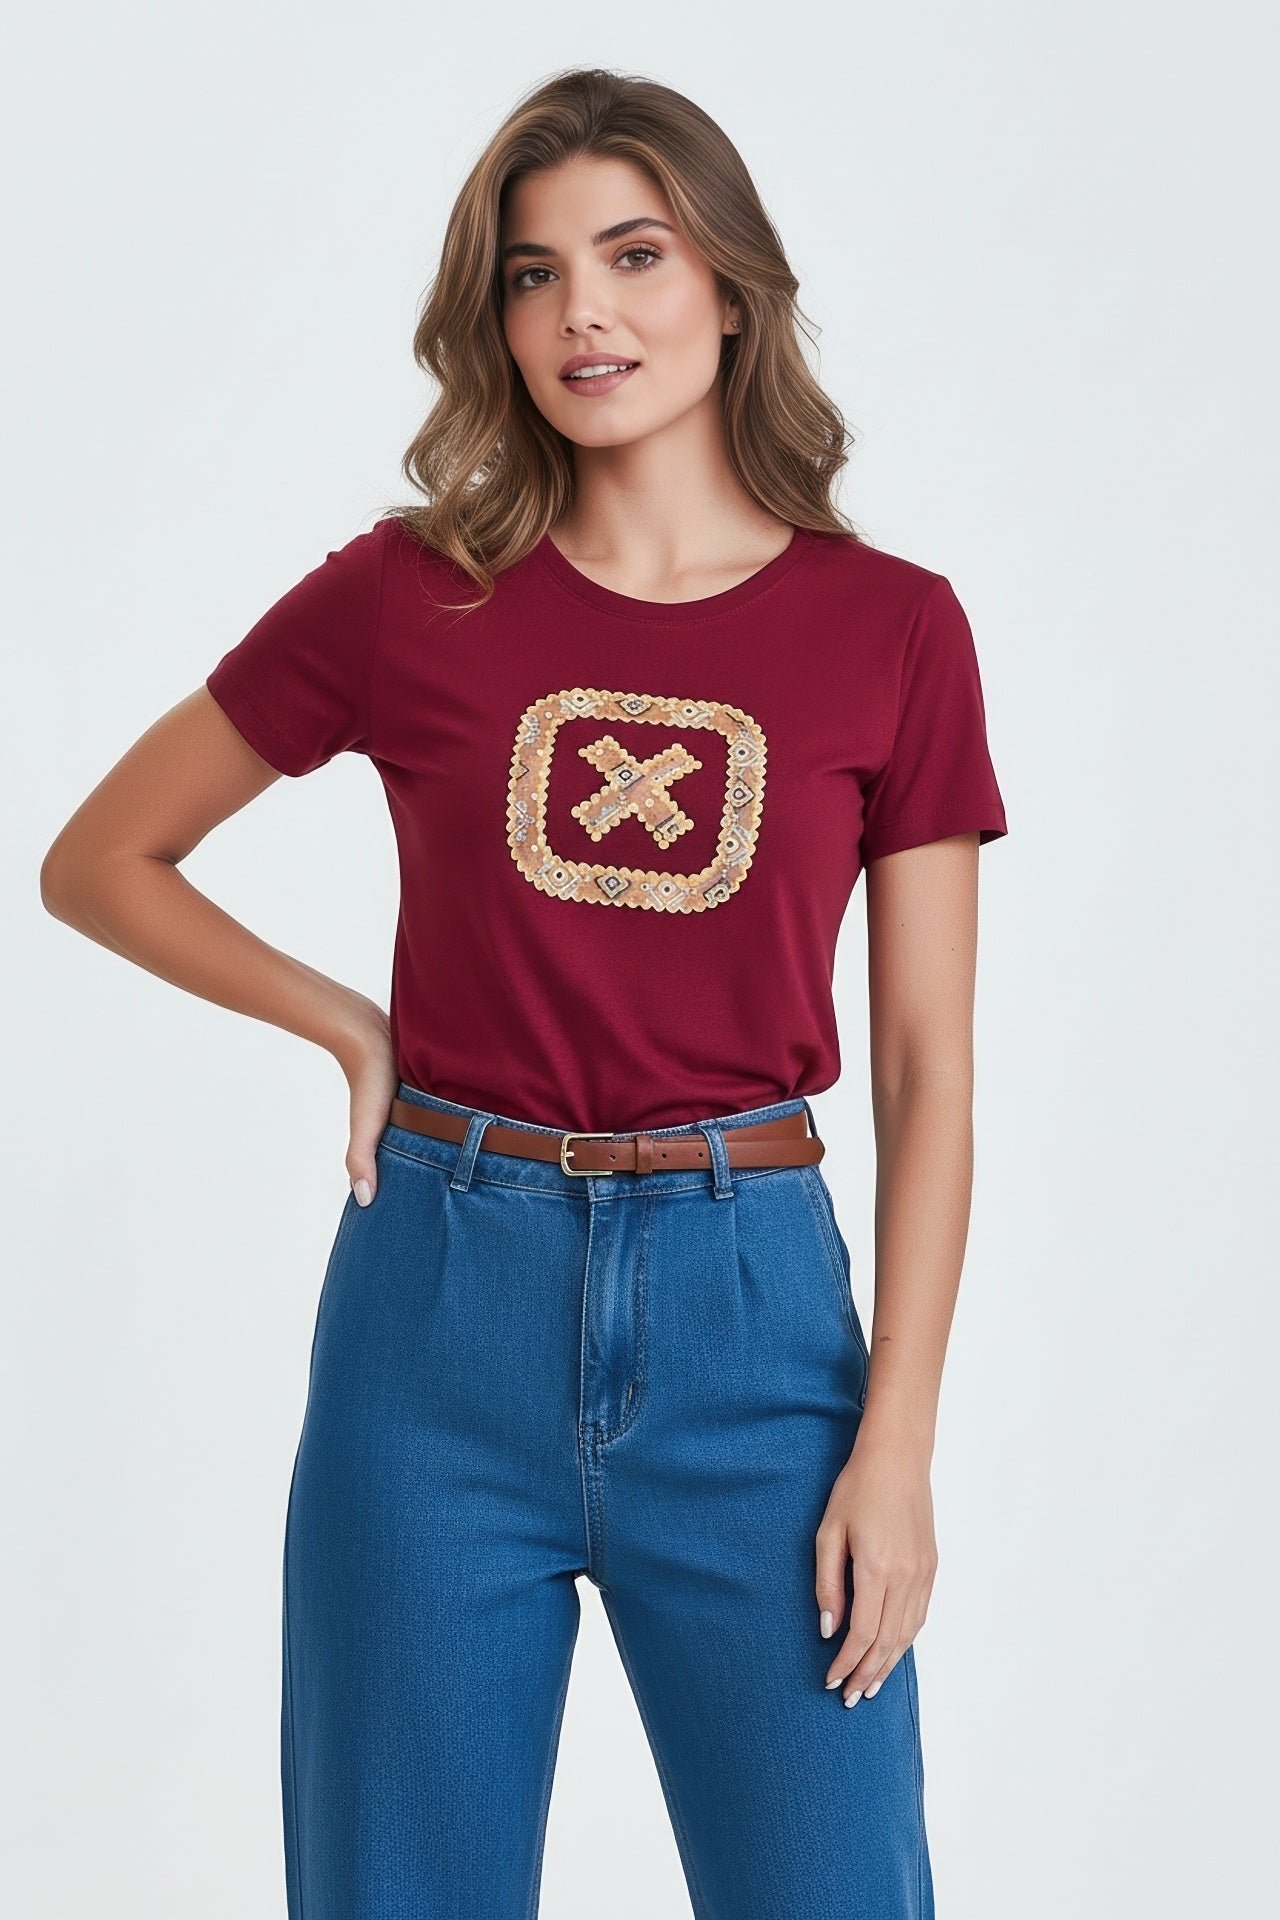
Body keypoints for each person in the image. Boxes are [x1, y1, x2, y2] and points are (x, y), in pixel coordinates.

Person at [40, 66, 1008, 1920]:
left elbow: (927, 1070)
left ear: (731, 287)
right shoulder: (411, 594)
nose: (583, 313)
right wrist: (348, 1022)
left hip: (753, 1328)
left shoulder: (893, 628)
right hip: (435, 1317)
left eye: (635, 256)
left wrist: (896, 1442)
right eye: (532, 272)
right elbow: (101, 860)